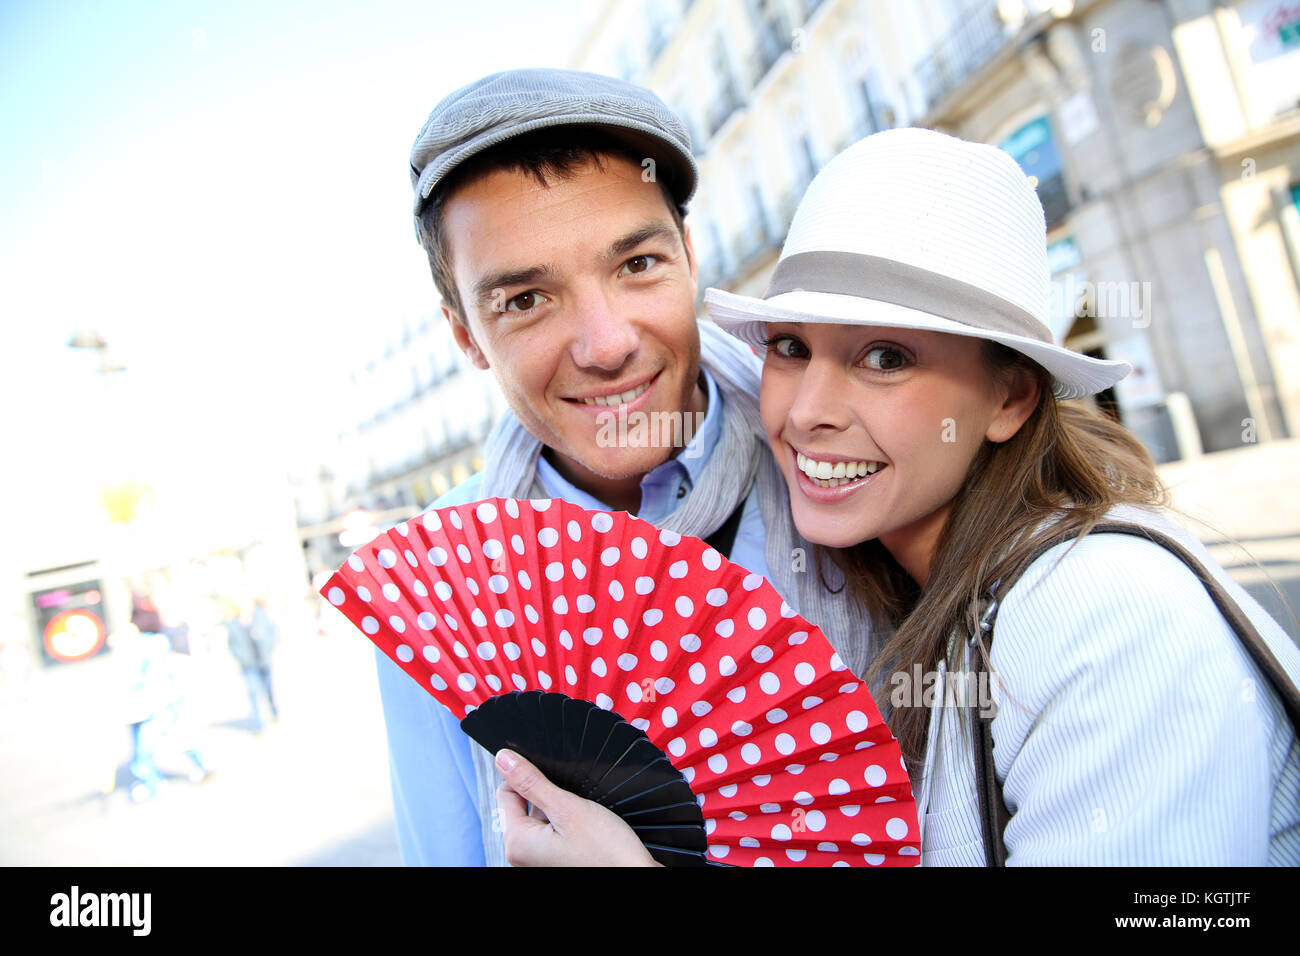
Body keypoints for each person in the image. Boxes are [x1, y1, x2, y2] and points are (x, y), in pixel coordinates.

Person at [702, 127, 1300, 864]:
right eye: (790, 346)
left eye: (885, 357)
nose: (804, 412)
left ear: (1010, 397)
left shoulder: (1100, 611)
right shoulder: (909, 601)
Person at [375, 68, 865, 866]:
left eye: (636, 265)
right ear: (464, 335)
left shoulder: (845, 470)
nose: (606, 345)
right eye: (525, 300)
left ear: (689, 256)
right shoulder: (440, 594)